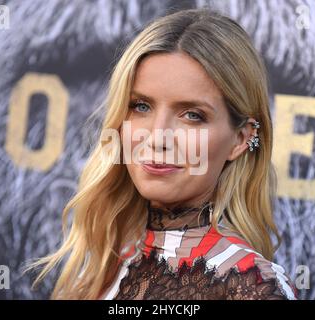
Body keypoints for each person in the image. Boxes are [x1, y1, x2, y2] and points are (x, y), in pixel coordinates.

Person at [29, 8, 297, 300]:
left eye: (192, 115)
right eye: (141, 106)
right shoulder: (106, 267)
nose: (157, 137)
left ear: (241, 138)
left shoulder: (252, 287)